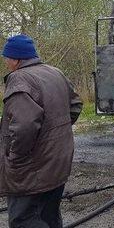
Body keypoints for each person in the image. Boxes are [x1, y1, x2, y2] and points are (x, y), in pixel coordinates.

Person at [0, 34, 83, 227]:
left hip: (31, 169)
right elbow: (76, 105)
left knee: (24, 219)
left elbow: (24, 126)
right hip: (57, 162)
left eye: (6, 57)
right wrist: (52, 135)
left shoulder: (20, 80)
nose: (5, 62)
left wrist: (15, 156)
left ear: (16, 59)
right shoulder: (54, 72)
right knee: (49, 215)